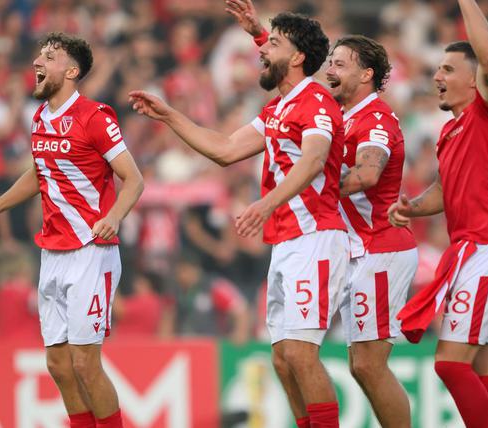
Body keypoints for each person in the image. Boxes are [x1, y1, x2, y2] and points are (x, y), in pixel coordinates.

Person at [129, 12, 347, 427]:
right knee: (283, 358)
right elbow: (225, 149)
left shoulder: (316, 100)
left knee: (301, 353)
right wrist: (169, 115)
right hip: (287, 241)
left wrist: (266, 203)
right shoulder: (277, 108)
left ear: (298, 57)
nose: (261, 51)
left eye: (273, 45)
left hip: (316, 236)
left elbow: (315, 158)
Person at [226, 1, 416, 425]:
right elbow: (294, 80)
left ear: (366, 75)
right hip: (341, 243)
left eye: (340, 64)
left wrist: (313, 183)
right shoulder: (334, 108)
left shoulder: (376, 120)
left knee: (366, 364)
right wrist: (261, 35)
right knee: (288, 357)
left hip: (377, 247)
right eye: (328, 61)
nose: (329, 70)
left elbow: (367, 174)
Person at [0, 32, 144, 428]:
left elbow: (133, 179)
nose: (37, 62)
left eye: (49, 56)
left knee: (85, 360)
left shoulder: (95, 116)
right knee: (59, 363)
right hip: (52, 252)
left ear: (72, 70)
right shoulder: (39, 119)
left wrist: (114, 216)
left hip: (90, 251)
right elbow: (39, 172)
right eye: (38, 55)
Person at [388, 1, 488, 427]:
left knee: (449, 364)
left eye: (448, 70)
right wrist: (412, 206)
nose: (437, 77)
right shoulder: (448, 132)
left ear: (474, 80)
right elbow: (446, 193)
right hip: (475, 254)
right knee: (484, 377)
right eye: (437, 69)